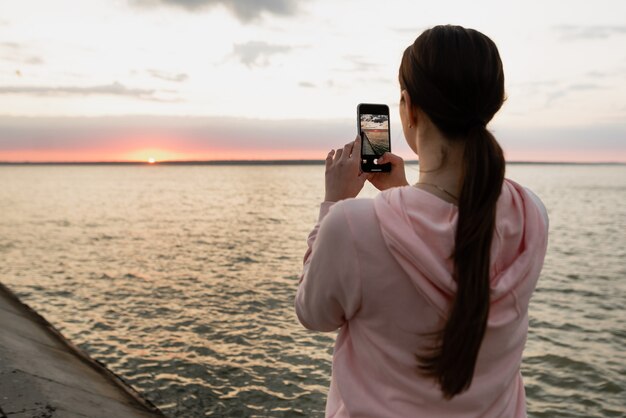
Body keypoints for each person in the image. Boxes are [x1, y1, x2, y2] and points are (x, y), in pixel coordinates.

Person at [294, 25, 549, 417]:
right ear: (492, 104)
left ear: (408, 107)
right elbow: (453, 231)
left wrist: (333, 202)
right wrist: (402, 193)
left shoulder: (351, 226)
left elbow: (312, 313)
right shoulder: (530, 212)